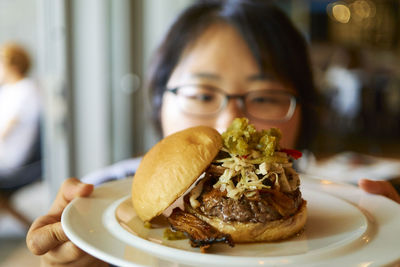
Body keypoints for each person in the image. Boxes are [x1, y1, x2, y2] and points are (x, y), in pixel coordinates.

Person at [26, 1, 400, 266]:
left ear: (305, 109)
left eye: (266, 97)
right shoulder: (106, 194)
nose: (228, 123)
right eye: (202, 94)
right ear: (159, 100)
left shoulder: (343, 197)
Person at [0, 42, 41, 175]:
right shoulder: (8, 89)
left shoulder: (26, 90)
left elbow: (6, 131)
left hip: (11, 160)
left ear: (14, 67)